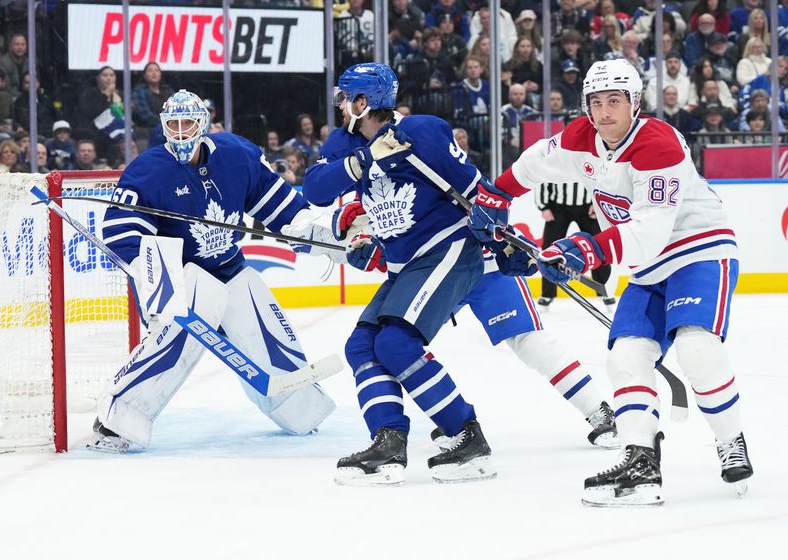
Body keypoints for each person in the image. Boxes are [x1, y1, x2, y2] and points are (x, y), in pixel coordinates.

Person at [303, 63, 619, 487]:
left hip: (470, 255)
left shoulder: (421, 134)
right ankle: (393, 438)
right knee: (370, 344)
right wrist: (372, 245)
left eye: (346, 97)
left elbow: (483, 196)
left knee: (525, 337)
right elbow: (317, 188)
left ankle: (598, 409)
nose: (338, 105)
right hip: (418, 268)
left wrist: (508, 244)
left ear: (364, 102)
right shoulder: (344, 141)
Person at [468, 58, 754, 506]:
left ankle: (730, 439)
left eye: (614, 101)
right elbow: (534, 165)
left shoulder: (659, 144)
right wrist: (496, 194)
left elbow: (649, 231)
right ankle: (641, 459)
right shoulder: (581, 137)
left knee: (697, 349)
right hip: (646, 268)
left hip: (698, 250)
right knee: (625, 357)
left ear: (635, 103)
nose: (604, 113)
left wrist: (584, 250)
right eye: (596, 102)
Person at [91, 90, 345, 452]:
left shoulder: (236, 155)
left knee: (266, 325)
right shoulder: (146, 171)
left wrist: (314, 230)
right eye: (173, 125)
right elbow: (122, 231)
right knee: (174, 346)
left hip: (229, 268)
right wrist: (150, 275)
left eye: (187, 124)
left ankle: (299, 409)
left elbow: (277, 202)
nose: (180, 133)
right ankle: (117, 418)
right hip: (178, 278)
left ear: (203, 125)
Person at [535, 177, 614, 310]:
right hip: (557, 207)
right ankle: (547, 294)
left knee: (599, 246)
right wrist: (544, 206)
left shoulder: (589, 155)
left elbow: (600, 177)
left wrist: (597, 204)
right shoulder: (556, 156)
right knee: (550, 250)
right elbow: (544, 176)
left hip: (588, 207)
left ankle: (604, 289)